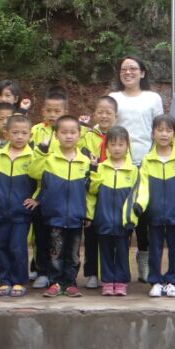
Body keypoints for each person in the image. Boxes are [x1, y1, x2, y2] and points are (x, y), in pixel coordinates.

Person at [0, 114, 37, 297]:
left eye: (24, 133)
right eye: (15, 132)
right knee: (1, 247)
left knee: (18, 247)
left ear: (30, 135)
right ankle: (4, 280)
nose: (19, 136)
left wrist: (36, 198)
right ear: (6, 133)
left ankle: (18, 280)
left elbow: (42, 179)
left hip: (21, 212)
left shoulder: (33, 157)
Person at [31, 116, 90, 298]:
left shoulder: (85, 161)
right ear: (56, 135)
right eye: (64, 132)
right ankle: (55, 282)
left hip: (76, 217)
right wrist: (41, 152)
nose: (68, 136)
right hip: (54, 216)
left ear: (79, 135)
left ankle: (70, 283)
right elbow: (33, 172)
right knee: (55, 252)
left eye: (73, 132)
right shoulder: (49, 159)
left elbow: (89, 192)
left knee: (73, 253)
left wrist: (88, 213)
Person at [87, 126, 144, 296]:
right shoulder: (101, 167)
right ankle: (107, 281)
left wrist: (132, 218)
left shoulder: (133, 170)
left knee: (122, 250)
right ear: (106, 147)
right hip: (103, 217)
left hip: (123, 219)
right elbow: (92, 190)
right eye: (113, 144)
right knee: (104, 251)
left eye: (121, 144)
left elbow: (137, 195)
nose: (117, 148)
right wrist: (94, 171)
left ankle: (120, 281)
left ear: (127, 146)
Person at [142, 114, 175, 298]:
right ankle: (155, 281)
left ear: (174, 134)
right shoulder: (147, 159)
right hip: (154, 214)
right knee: (154, 249)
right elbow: (142, 187)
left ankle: (173, 281)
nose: (164, 134)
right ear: (153, 133)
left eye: (168, 130)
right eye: (160, 130)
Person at [29, 86, 69, 289]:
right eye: (49, 110)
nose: (53, 115)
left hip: (63, 193)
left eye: (57, 111)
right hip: (39, 193)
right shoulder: (35, 131)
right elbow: (32, 164)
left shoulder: (70, 132)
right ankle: (41, 270)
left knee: (60, 235)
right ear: (42, 111)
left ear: (65, 112)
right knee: (41, 234)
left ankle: (62, 273)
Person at [79, 95, 118, 289]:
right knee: (91, 233)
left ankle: (111, 273)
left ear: (116, 116)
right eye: (100, 112)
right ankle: (92, 273)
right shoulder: (87, 136)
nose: (104, 116)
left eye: (108, 113)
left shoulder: (119, 136)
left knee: (112, 235)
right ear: (94, 114)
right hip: (91, 190)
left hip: (113, 190)